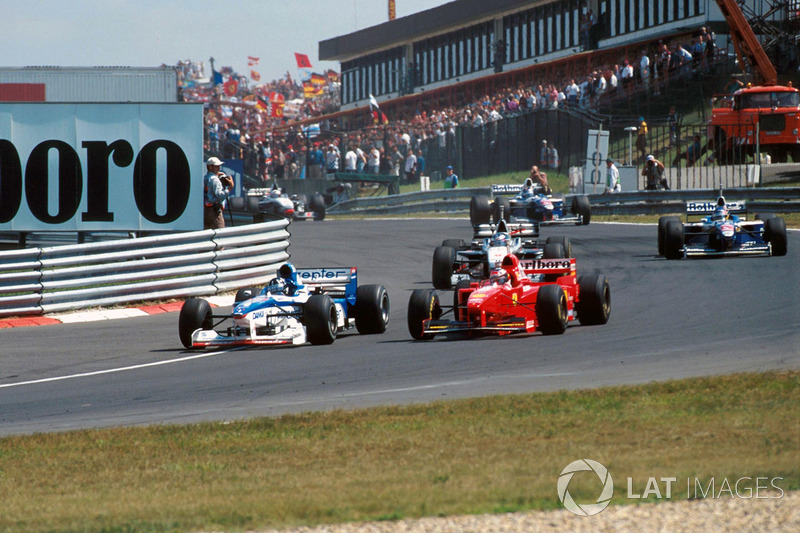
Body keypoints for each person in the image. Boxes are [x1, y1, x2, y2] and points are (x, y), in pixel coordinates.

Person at [203, 156, 234, 230]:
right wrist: (230, 188)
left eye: (219, 166)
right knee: (220, 233)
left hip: (206, 210)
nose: (219, 168)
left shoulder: (206, 177)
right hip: (215, 211)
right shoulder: (215, 180)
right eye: (216, 166)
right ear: (210, 167)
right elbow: (220, 195)